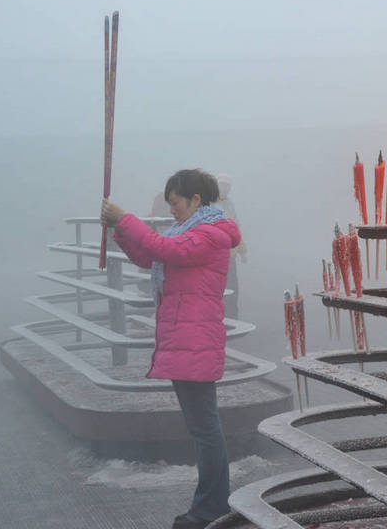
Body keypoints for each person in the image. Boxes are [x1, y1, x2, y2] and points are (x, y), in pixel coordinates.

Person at [101, 169, 239, 528]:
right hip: (185, 342)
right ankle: (211, 503)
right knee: (202, 428)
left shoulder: (209, 235)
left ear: (196, 200)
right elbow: (150, 257)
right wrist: (119, 231)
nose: (172, 210)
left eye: (175, 202)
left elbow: (164, 250)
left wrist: (125, 219)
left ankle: (211, 508)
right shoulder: (189, 232)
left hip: (194, 342)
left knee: (205, 429)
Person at [215, 174, 248, 319]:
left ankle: (232, 317)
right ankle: (218, 316)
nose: (224, 188)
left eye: (227, 186)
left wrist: (243, 251)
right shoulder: (209, 204)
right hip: (215, 256)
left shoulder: (229, 204)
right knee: (217, 288)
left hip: (230, 255)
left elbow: (236, 228)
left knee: (232, 288)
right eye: (222, 185)